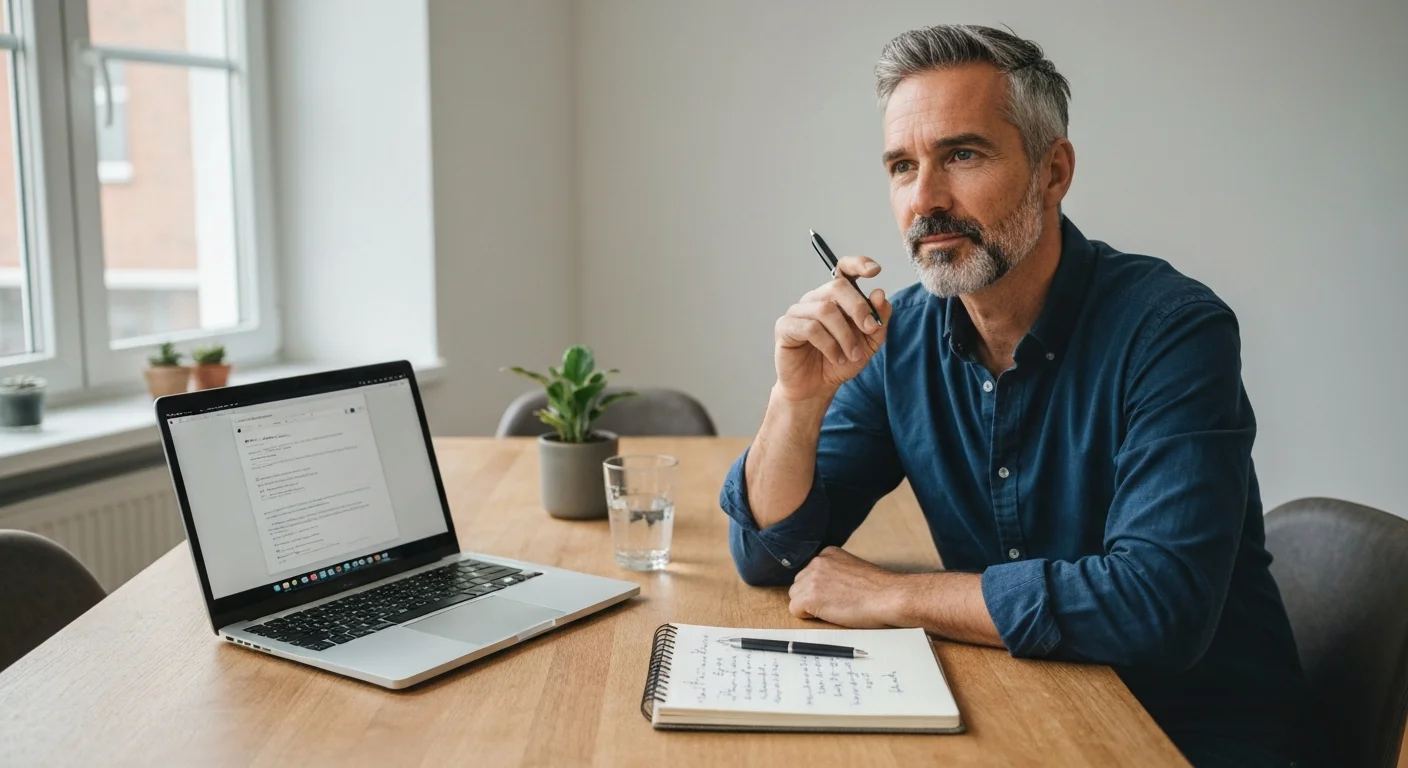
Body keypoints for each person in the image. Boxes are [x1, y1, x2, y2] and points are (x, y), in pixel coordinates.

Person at [719, 24, 1305, 768]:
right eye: (903, 166)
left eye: (962, 155)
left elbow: (1158, 609)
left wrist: (903, 598)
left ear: (1052, 171)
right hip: (1024, 710)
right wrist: (794, 401)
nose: (925, 200)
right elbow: (770, 554)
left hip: (1185, 738)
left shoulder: (1173, 332)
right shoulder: (899, 340)